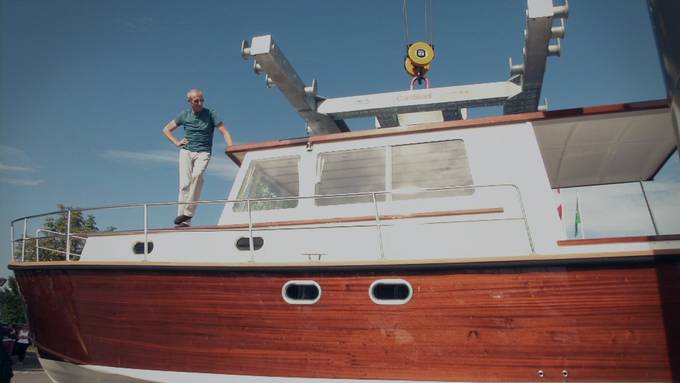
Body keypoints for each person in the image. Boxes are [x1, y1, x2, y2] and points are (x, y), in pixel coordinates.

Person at [163, 89, 233, 227]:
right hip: (186, 151)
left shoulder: (211, 114)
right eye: (196, 101)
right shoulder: (184, 115)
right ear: (190, 102)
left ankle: (188, 213)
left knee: (198, 175)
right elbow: (166, 129)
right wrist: (177, 142)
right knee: (184, 185)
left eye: (202, 100)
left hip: (203, 152)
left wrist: (231, 147)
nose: (200, 103)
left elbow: (224, 131)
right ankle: (183, 221)